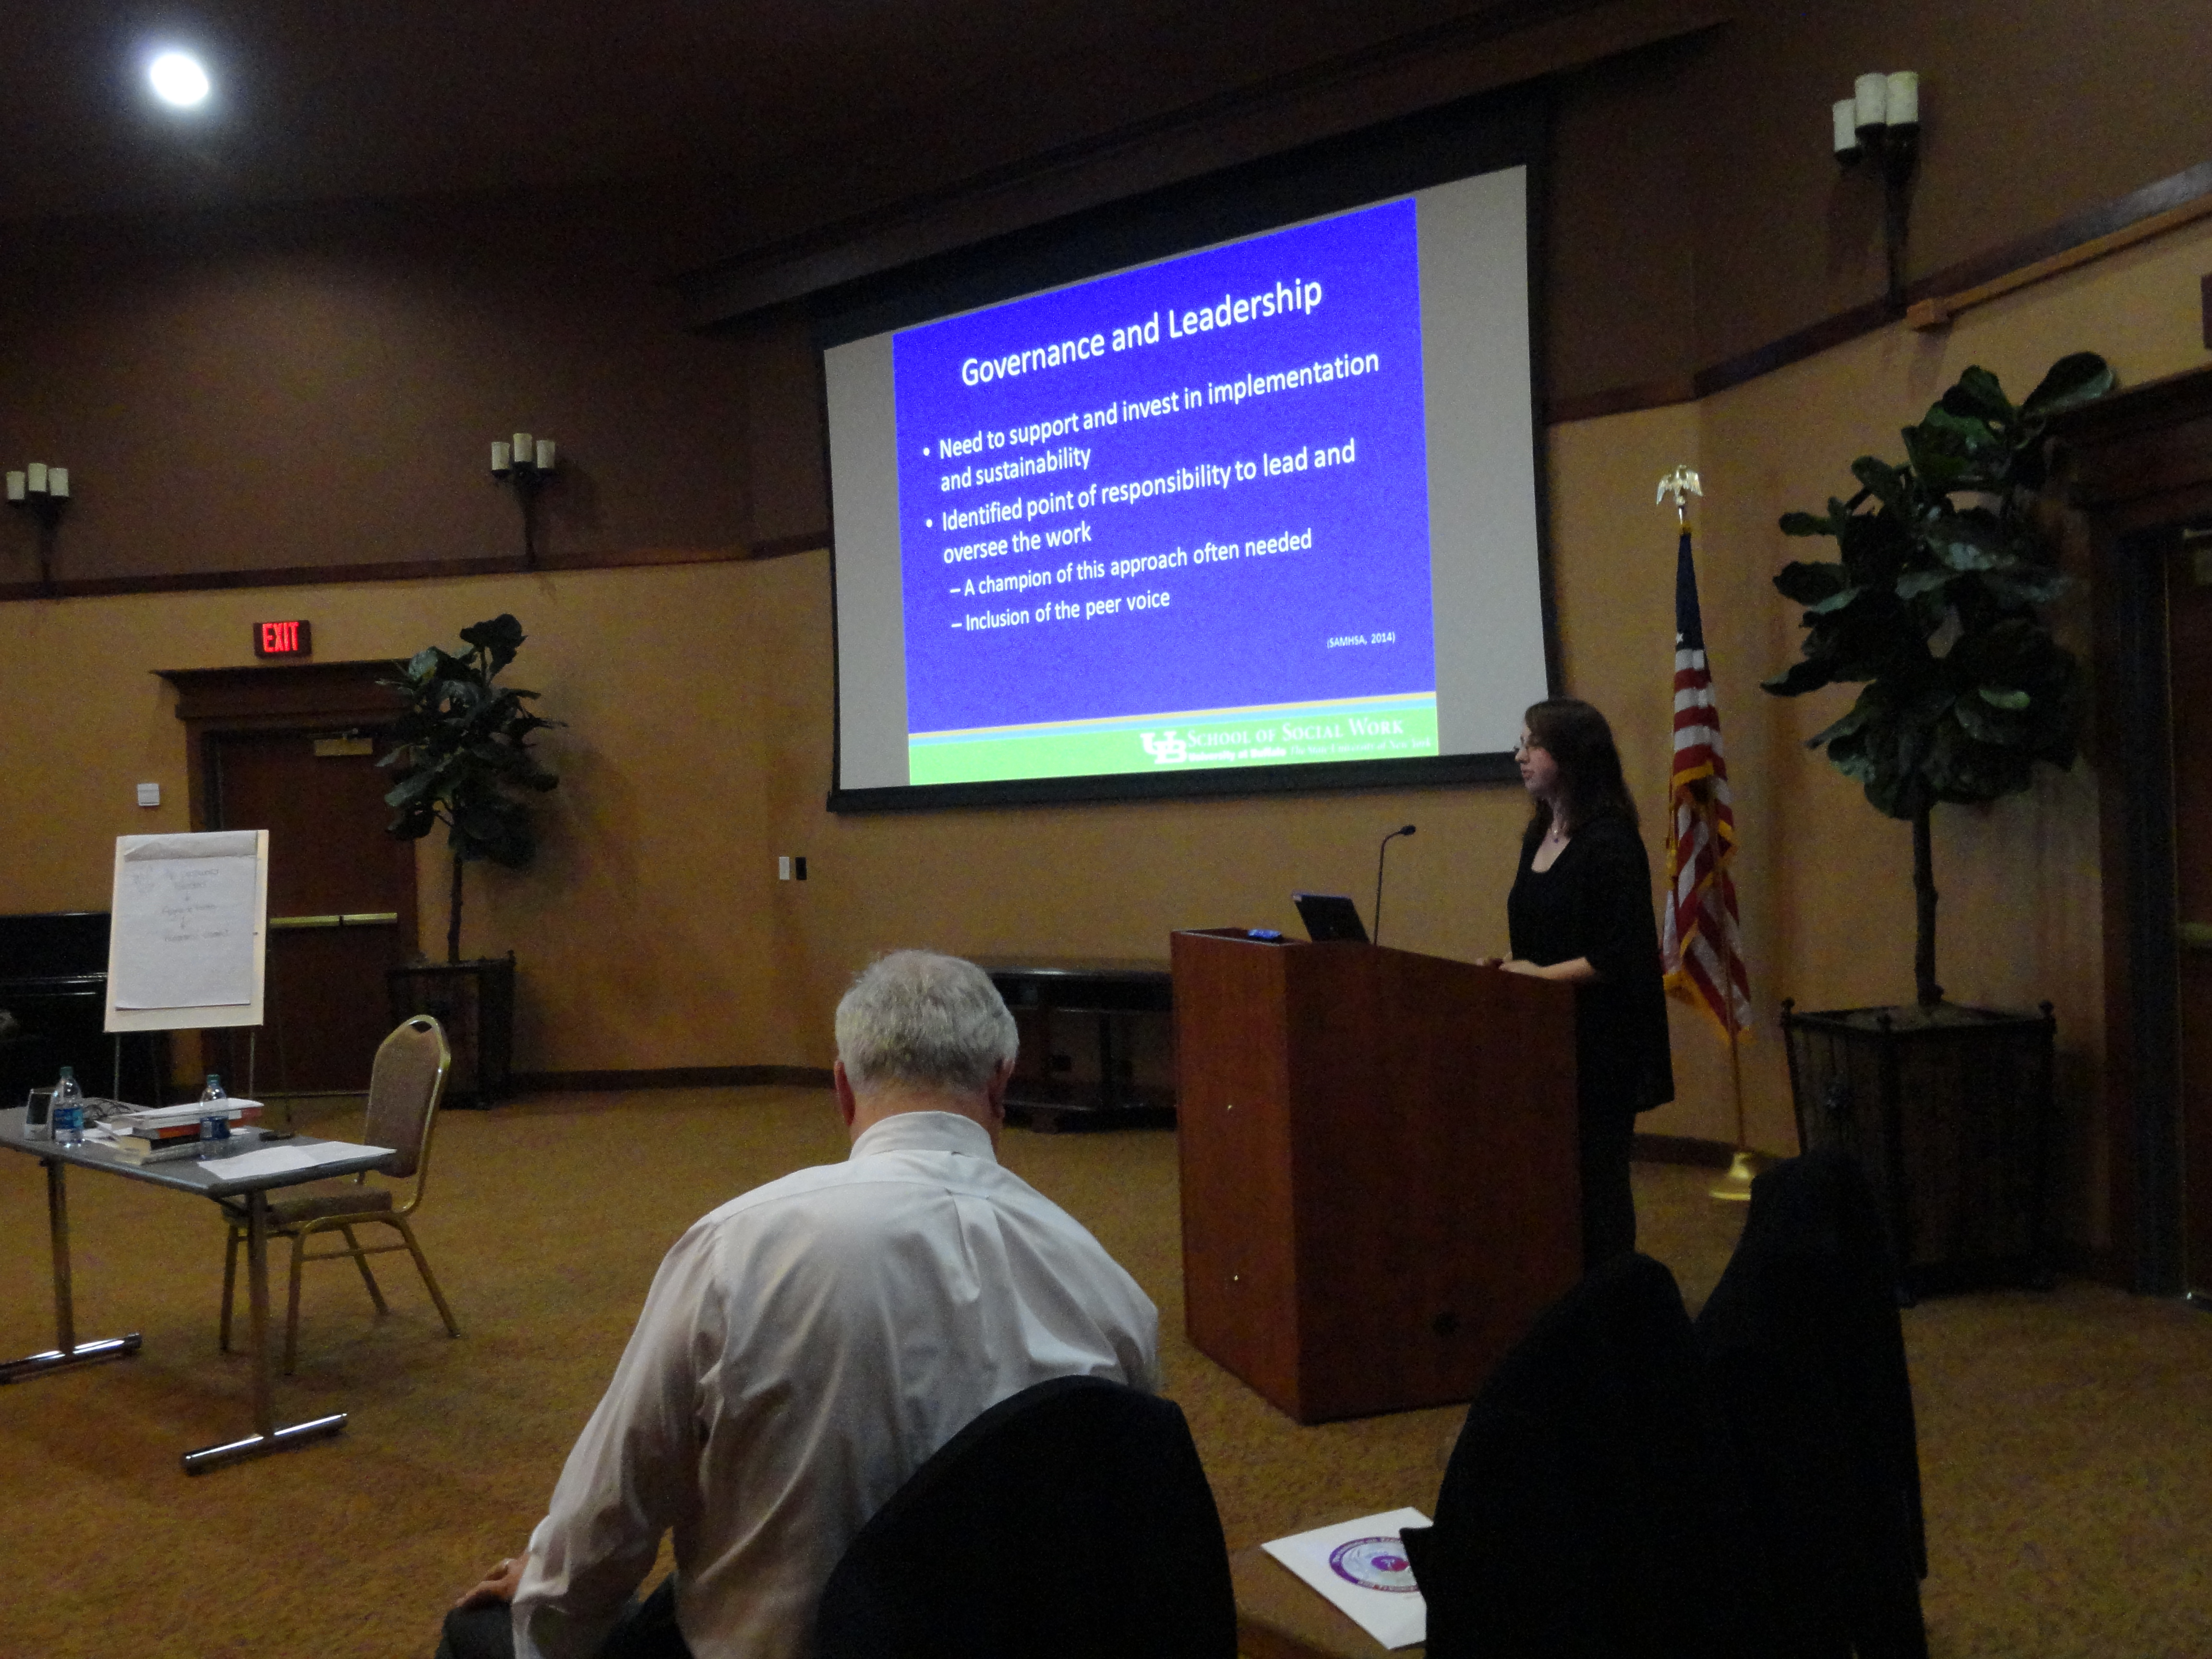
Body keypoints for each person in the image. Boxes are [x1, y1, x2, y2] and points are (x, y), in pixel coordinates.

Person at [436, 950, 1161, 1659]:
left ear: (843, 1087)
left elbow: (612, 1507)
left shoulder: (737, 1247)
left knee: (479, 1636)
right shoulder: (1107, 1289)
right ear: (1002, 1083)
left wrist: (544, 1609)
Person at [1485, 698, 1673, 1267]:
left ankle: (1610, 1287)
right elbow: (1546, 935)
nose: (1519, 756)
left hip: (1601, 1038)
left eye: (1530, 744)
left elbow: (1622, 953)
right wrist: (1509, 965)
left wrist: (1540, 977)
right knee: (1549, 1172)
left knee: (1598, 1175)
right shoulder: (1537, 834)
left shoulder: (1611, 841)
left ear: (1569, 756)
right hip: (1545, 1034)